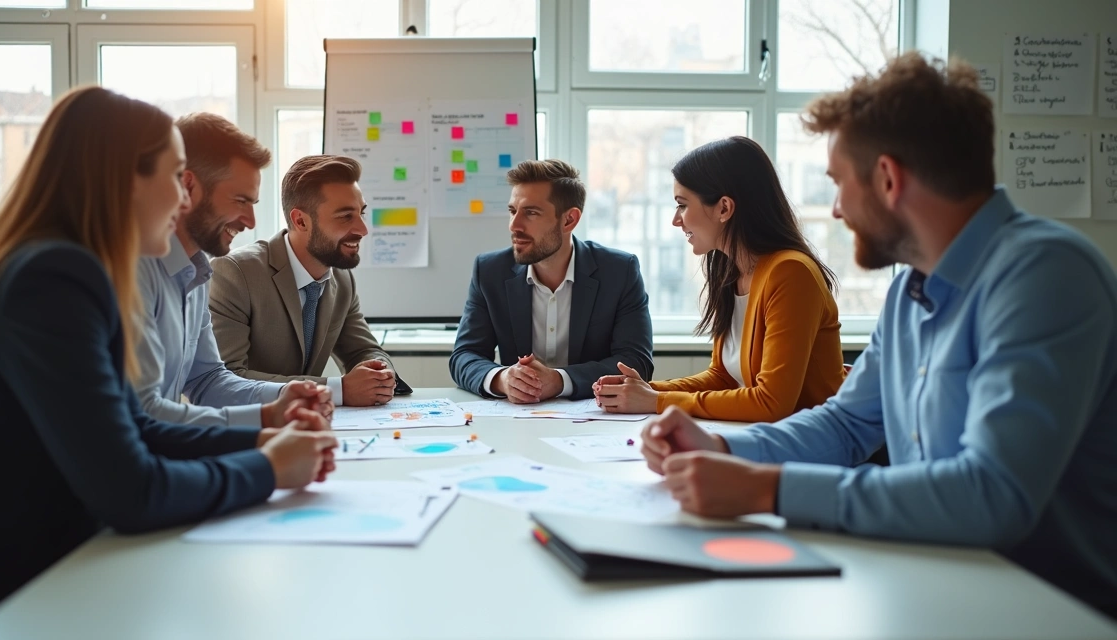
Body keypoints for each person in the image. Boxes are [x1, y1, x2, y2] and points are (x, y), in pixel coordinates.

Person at [641, 53, 1117, 619]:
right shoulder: (909, 292)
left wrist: (766, 490)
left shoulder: (1045, 275)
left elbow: (992, 494)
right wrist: (722, 447)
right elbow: (846, 424)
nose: (836, 209)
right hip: (934, 578)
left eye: (839, 184)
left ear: (888, 179)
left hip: (1042, 608)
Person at [0, 87, 337, 639]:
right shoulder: (54, 276)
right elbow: (132, 491)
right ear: (127, 178)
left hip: (39, 569)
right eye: (175, 177)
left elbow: (135, 427)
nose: (183, 200)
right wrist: (270, 468)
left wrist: (262, 442)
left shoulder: (67, 268)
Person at [594, 137, 845, 421]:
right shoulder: (731, 273)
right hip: (766, 438)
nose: (676, 220)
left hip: (811, 447)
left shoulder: (791, 273)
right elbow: (722, 377)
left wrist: (657, 401)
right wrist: (642, 390)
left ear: (724, 208)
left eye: (682, 205)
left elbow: (771, 403)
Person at [135, 112, 333, 428]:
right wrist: (265, 422)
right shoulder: (136, 271)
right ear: (187, 186)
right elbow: (143, 413)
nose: (251, 221)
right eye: (240, 200)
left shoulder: (197, 274)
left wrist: (285, 395)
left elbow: (207, 380)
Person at [449, 159, 653, 403]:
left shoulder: (619, 271)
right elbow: (464, 355)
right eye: (513, 211)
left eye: (531, 213)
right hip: (516, 420)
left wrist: (559, 381)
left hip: (594, 421)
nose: (514, 225)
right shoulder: (490, 270)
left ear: (569, 220)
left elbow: (636, 362)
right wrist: (502, 379)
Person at [210, 155, 397, 407]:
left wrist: (378, 373)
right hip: (248, 430)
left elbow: (362, 350)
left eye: (361, 213)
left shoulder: (341, 278)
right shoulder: (234, 273)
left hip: (307, 426)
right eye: (345, 216)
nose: (363, 229)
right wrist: (337, 390)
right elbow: (227, 379)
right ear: (300, 221)